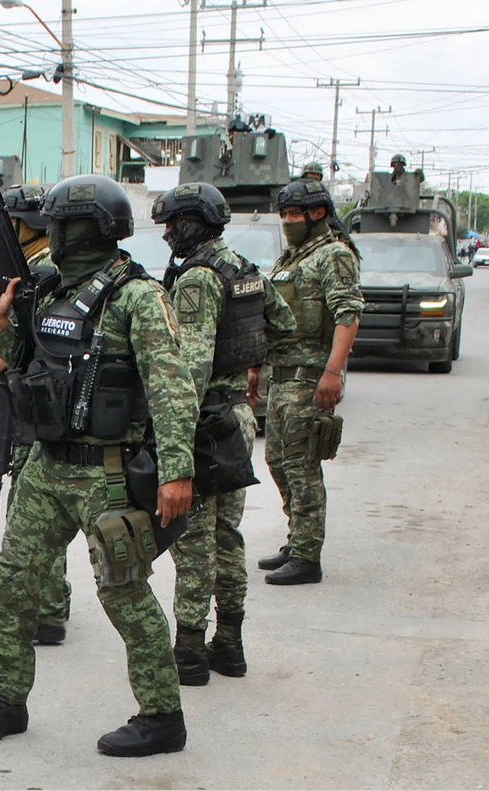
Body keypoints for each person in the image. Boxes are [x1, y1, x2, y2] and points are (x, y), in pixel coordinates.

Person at [0, 174, 200, 757]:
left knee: (123, 593)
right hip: (46, 467)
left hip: (108, 472)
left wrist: (177, 471)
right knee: (13, 584)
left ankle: (162, 716)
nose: (51, 234)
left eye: (59, 225)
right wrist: (1, 323)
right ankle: (7, 700)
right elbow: (25, 362)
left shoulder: (138, 297)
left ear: (83, 229)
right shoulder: (44, 291)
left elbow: (173, 390)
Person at [152, 182, 295, 685]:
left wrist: (171, 441)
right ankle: (229, 645)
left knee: (193, 541)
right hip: (236, 417)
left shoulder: (197, 278)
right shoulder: (245, 269)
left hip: (204, 422)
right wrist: (249, 371)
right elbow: (282, 323)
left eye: (172, 224)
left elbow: (189, 370)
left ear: (192, 223)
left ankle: (189, 652)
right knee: (227, 538)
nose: (167, 233)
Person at [0, 184, 73, 646]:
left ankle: (48, 608)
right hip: (33, 395)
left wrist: (3, 356)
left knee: (36, 512)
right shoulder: (35, 269)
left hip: (44, 404)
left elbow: (48, 347)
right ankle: (49, 604)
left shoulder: (46, 271)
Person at [256, 180, 363, 585]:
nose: (287, 222)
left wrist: (332, 372)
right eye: (283, 215)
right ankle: (296, 538)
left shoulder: (334, 255)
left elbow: (347, 314)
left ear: (317, 214)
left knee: (302, 467)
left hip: (309, 377)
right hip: (281, 377)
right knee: (278, 463)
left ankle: (307, 555)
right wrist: (257, 370)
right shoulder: (293, 257)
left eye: (294, 215)